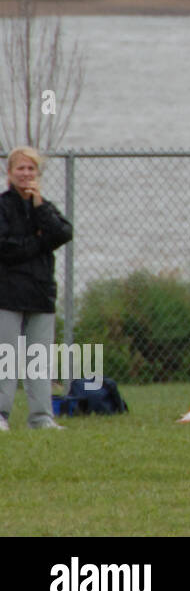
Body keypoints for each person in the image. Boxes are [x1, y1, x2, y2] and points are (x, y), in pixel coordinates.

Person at [0, 147, 74, 431]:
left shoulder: (44, 207)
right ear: (10, 173)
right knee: (6, 358)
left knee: (39, 360)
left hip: (41, 292)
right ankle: (1, 415)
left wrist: (39, 206)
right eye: (21, 168)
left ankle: (42, 417)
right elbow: (6, 248)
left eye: (31, 169)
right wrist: (41, 242)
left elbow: (63, 232)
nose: (26, 174)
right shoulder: (4, 207)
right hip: (8, 293)